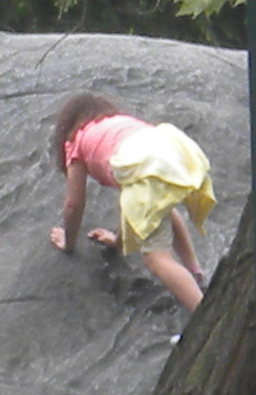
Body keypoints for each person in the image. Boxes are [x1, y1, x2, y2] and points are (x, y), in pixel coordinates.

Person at [46, 91, 215, 311]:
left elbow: (73, 203)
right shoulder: (119, 124)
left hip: (146, 167)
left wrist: (68, 242)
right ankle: (194, 271)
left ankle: (205, 314)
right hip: (174, 152)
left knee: (156, 259)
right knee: (161, 208)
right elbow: (136, 205)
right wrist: (118, 241)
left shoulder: (75, 142)